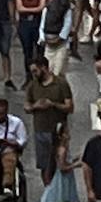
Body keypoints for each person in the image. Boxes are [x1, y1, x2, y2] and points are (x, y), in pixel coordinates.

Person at [24, 53, 73, 186]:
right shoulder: (33, 85)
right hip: (40, 130)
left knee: (60, 163)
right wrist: (35, 106)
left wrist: (53, 104)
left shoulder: (61, 84)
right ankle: (48, 191)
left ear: (44, 67)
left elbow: (69, 107)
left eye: (35, 71)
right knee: (44, 165)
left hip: (58, 131)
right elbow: (27, 106)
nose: (34, 74)